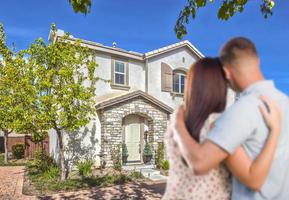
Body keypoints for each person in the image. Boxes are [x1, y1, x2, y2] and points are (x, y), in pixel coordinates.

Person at [171, 37, 289, 199]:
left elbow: (199, 163)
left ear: (227, 72)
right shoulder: (284, 102)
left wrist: (178, 125)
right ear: (257, 60)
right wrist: (275, 130)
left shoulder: (240, 111)